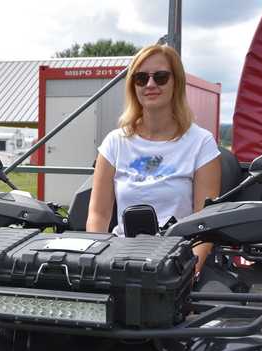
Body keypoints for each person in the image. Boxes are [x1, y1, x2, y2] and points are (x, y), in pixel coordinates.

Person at [86, 45, 221, 272]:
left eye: (160, 77)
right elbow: (98, 215)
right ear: (133, 86)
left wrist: (188, 272)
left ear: (176, 82)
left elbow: (205, 223)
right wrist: (100, 265)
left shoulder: (201, 143)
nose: (150, 85)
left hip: (177, 261)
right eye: (141, 78)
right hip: (122, 261)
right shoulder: (114, 143)